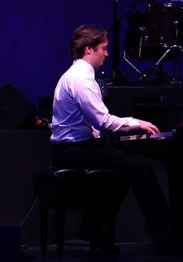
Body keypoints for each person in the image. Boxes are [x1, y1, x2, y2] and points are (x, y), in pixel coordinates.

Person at [50, 24, 174, 248]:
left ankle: (96, 230)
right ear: (89, 49)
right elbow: (103, 121)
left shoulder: (78, 75)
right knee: (140, 169)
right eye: (104, 49)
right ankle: (165, 235)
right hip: (72, 152)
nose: (107, 54)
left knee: (128, 168)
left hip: (76, 149)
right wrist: (137, 123)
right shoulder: (81, 79)